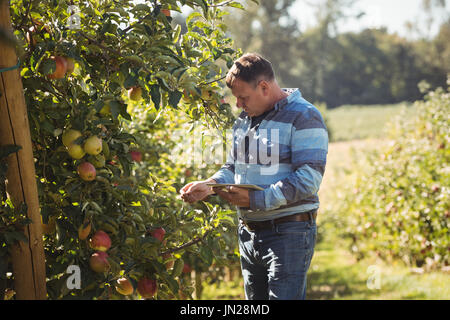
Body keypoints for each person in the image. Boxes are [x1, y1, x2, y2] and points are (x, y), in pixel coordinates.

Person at [180, 53, 328, 300]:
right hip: (249, 233)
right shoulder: (245, 119)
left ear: (264, 87)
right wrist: (211, 185)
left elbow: (308, 179)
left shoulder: (303, 116)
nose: (238, 104)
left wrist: (254, 200)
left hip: (288, 232)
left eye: (243, 97)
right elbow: (233, 166)